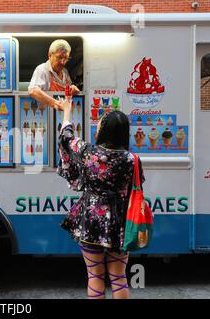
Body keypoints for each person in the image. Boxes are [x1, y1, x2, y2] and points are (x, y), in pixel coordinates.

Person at [53, 96, 144, 299]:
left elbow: (66, 138)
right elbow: (135, 188)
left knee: (94, 275)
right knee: (119, 277)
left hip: (91, 220)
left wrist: (66, 111)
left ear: (104, 130)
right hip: (121, 222)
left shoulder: (88, 152)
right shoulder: (132, 159)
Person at [28, 39, 80, 110]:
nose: (63, 62)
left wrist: (73, 89)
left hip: (61, 115)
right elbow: (33, 90)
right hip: (46, 114)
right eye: (59, 57)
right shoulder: (42, 69)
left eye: (66, 58)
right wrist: (55, 103)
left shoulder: (65, 72)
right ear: (49, 55)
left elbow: (68, 91)